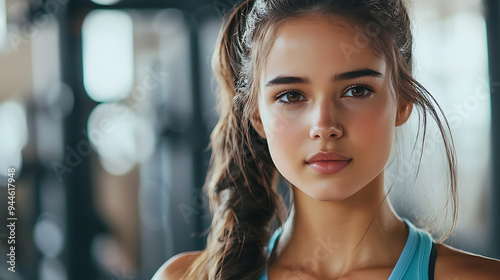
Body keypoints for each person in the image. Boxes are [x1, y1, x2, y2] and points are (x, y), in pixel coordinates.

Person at [153, 0, 500, 279]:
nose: (324, 126)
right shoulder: (186, 277)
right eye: (291, 96)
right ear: (257, 117)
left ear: (403, 101)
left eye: (356, 90)